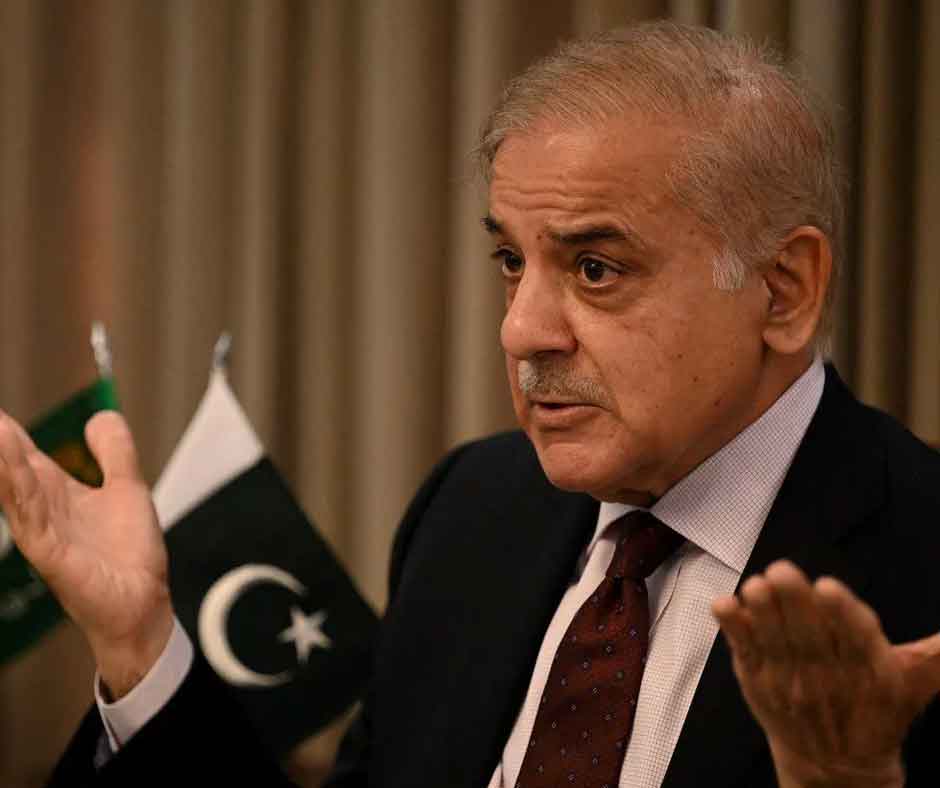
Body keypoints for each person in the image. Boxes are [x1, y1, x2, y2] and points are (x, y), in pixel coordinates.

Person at [1, 20, 939, 788]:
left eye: (596, 268)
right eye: (510, 261)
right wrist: (139, 648)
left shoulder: (921, 560)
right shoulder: (474, 511)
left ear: (783, 290)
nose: (521, 330)